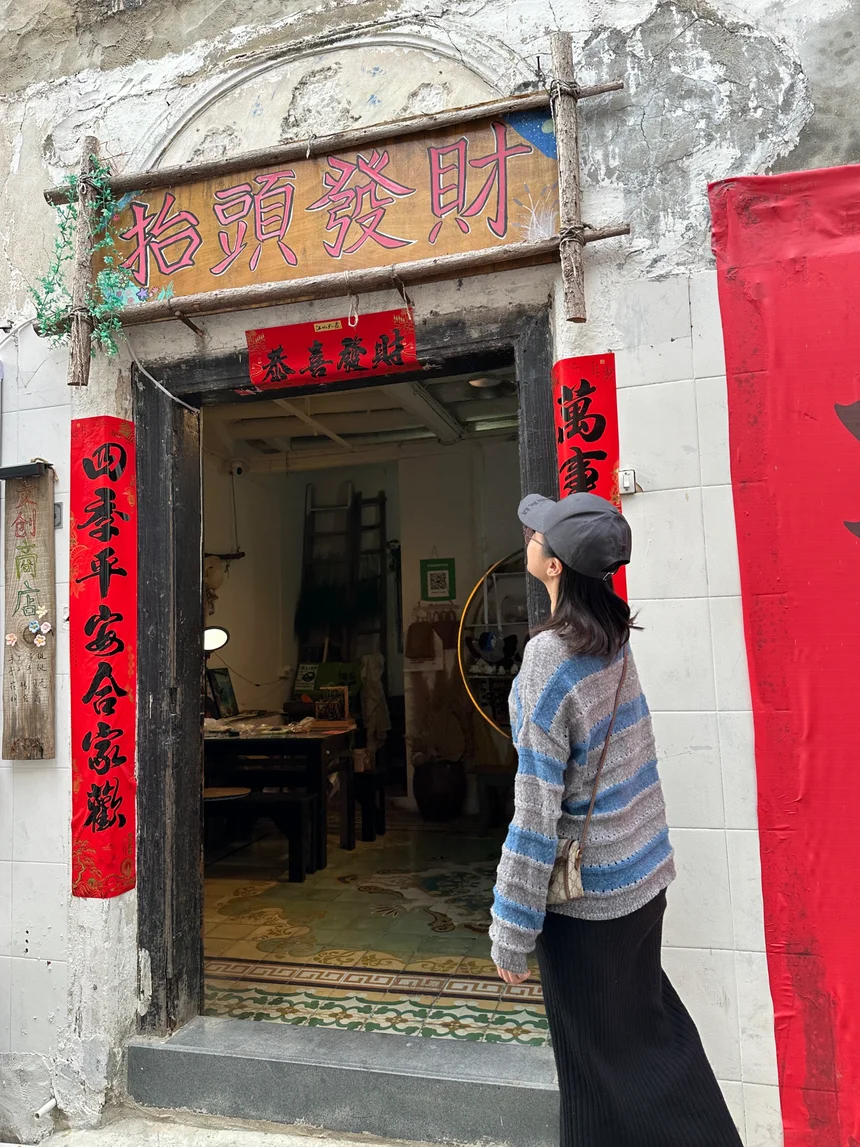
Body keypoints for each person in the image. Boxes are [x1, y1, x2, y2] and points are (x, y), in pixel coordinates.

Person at [490, 492, 743, 1147]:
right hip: (640, 882)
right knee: (643, 1041)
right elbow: (636, 761)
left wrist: (511, 928)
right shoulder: (611, 637)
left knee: (604, 1070)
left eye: (540, 534)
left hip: (588, 908)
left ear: (555, 567)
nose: (531, 535)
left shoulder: (549, 659)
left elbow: (535, 811)